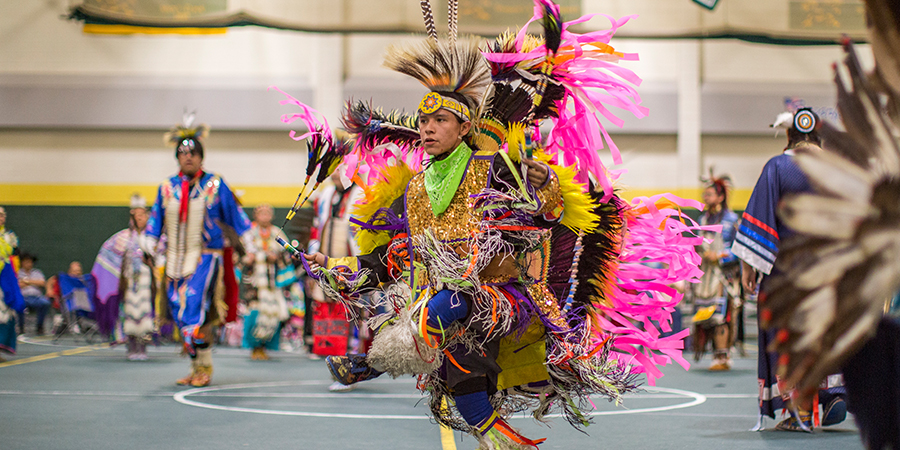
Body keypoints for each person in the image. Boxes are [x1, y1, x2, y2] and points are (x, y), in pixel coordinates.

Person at [292, 3, 699, 446]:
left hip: (491, 298)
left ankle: (372, 364)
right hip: (441, 304)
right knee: (469, 400)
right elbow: (396, 255)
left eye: (439, 120)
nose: (427, 129)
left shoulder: (493, 167)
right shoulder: (415, 187)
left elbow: (547, 215)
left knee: (446, 313)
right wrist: (334, 266)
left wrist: (542, 187)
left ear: (464, 126)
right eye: (424, 121)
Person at [733, 108, 846, 432]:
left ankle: (799, 412)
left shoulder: (778, 167)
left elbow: (758, 219)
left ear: (788, 136)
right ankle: (832, 393)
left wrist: (749, 268)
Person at [141, 115, 254, 387]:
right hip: (175, 261)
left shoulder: (215, 184)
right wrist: (149, 241)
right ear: (177, 158)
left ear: (201, 157)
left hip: (206, 258)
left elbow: (235, 216)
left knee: (195, 308)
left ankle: (205, 369)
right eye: (182, 153)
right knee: (180, 311)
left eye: (193, 153)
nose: (187, 157)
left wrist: (248, 243)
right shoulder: (167, 188)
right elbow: (155, 220)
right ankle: (196, 367)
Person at [306, 171, 366, 391]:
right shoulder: (326, 194)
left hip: (350, 264)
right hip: (325, 264)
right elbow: (317, 228)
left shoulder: (361, 194)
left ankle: (349, 369)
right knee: (327, 313)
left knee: (349, 315)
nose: (333, 175)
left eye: (338, 170)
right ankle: (335, 366)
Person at [92, 194, 156, 360]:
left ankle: (142, 348)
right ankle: (132, 346)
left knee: (145, 315)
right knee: (128, 314)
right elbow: (106, 255)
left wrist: (151, 261)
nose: (142, 218)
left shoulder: (153, 239)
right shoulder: (122, 237)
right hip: (128, 282)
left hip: (146, 283)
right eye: (138, 216)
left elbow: (162, 259)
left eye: (144, 215)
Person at [689, 173, 740, 371]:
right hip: (705, 276)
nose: (705, 197)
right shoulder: (703, 219)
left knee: (720, 315)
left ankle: (722, 357)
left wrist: (719, 255)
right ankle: (713, 353)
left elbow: (739, 249)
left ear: (720, 197)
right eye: (704, 193)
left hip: (723, 276)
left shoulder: (731, 220)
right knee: (706, 316)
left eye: (709, 194)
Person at [241, 204, 290, 361]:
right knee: (255, 314)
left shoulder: (277, 233)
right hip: (254, 283)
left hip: (272, 281)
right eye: (261, 213)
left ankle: (265, 346)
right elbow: (241, 256)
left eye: (268, 213)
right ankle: (254, 347)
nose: (265, 216)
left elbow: (287, 255)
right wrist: (249, 259)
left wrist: (276, 257)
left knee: (271, 313)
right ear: (255, 215)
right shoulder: (249, 234)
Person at [0, 217, 24, 359]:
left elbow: (15, 254)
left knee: (6, 315)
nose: (0, 217)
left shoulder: (9, 236)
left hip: (5, 279)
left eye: (2, 214)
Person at [16, 253, 49, 335]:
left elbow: (42, 283)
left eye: (30, 262)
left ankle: (39, 326)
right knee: (19, 304)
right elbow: (18, 285)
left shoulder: (37, 272)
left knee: (45, 303)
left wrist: (26, 281)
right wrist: (34, 282)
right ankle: (21, 327)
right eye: (27, 262)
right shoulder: (17, 272)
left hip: (36, 297)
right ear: (22, 263)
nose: (29, 264)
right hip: (24, 297)